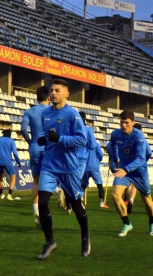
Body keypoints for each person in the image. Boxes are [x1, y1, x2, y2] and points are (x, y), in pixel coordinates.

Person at [36, 79, 90, 260]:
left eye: (57, 90)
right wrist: (45, 139)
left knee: (75, 205)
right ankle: (50, 241)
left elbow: (81, 140)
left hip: (68, 167)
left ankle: (85, 236)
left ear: (67, 94)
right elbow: (48, 133)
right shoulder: (45, 113)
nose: (53, 93)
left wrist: (60, 139)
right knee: (42, 202)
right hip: (49, 165)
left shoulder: (72, 115)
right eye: (51, 90)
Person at [108, 110, 153, 237]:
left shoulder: (138, 136)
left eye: (127, 123)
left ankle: (152, 223)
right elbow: (112, 146)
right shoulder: (115, 134)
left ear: (133, 123)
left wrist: (127, 169)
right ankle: (126, 224)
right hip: (124, 170)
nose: (124, 125)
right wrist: (115, 160)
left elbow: (142, 157)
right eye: (122, 122)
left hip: (139, 172)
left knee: (147, 200)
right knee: (115, 195)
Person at [21, 86, 50, 225]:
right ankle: (57, 195)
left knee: (36, 182)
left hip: (34, 148)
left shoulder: (29, 111)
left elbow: (23, 128)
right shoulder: (51, 111)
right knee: (50, 178)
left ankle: (36, 213)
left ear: (37, 97)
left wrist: (30, 141)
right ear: (49, 97)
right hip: (48, 148)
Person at [81, 120, 109, 209]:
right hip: (94, 167)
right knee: (99, 185)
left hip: (85, 167)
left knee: (83, 186)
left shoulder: (83, 144)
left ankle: (80, 202)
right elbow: (100, 155)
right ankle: (101, 202)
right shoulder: (96, 145)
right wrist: (98, 160)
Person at [125, 122, 152, 214]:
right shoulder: (142, 139)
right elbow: (149, 152)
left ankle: (128, 200)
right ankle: (131, 199)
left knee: (129, 184)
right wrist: (144, 160)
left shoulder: (127, 138)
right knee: (136, 184)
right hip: (138, 165)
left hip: (128, 164)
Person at [0, 129, 21, 200]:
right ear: (9, 134)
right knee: (13, 176)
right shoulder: (11, 141)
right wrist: (18, 161)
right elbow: (15, 153)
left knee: (0, 177)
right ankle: (9, 194)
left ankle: (1, 194)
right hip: (7, 161)